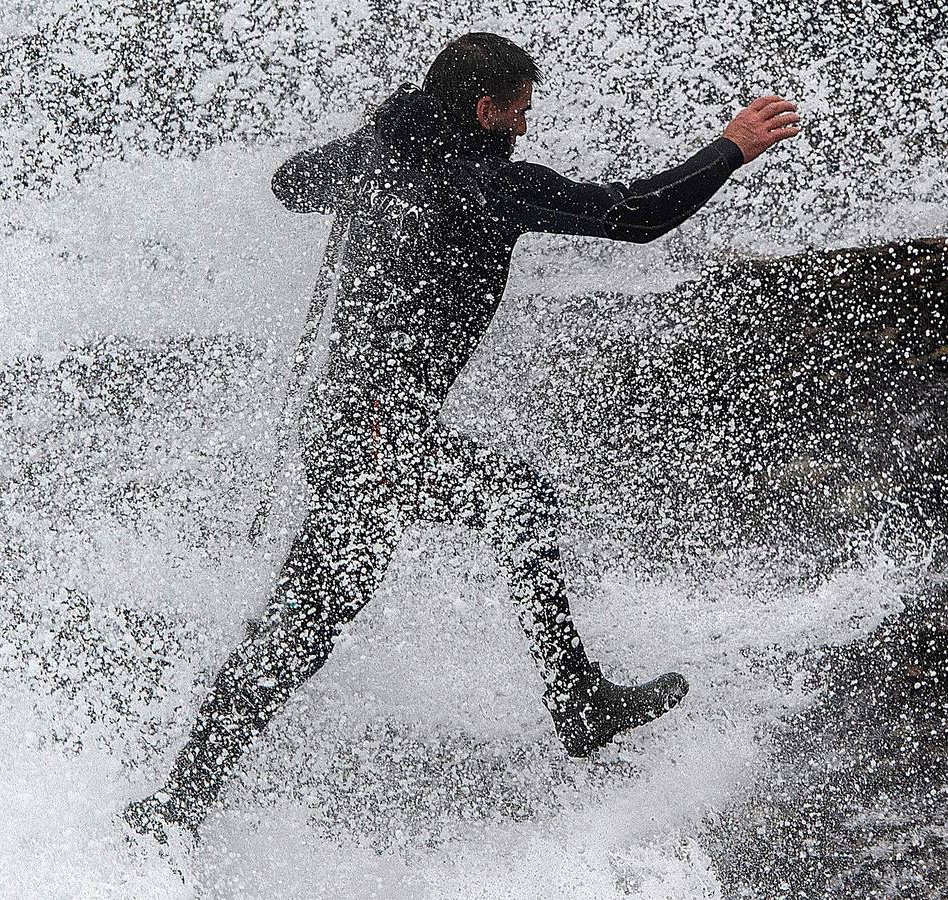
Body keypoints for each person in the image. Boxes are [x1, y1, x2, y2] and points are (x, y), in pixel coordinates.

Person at [126, 32, 799, 842]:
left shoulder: (378, 157)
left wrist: (376, 139)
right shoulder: (490, 186)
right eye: (517, 111)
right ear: (484, 110)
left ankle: (179, 805)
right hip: (376, 436)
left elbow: (288, 184)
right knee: (502, 508)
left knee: (304, 629)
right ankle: (577, 700)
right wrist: (729, 148)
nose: (523, 127)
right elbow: (636, 215)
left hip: (347, 427)